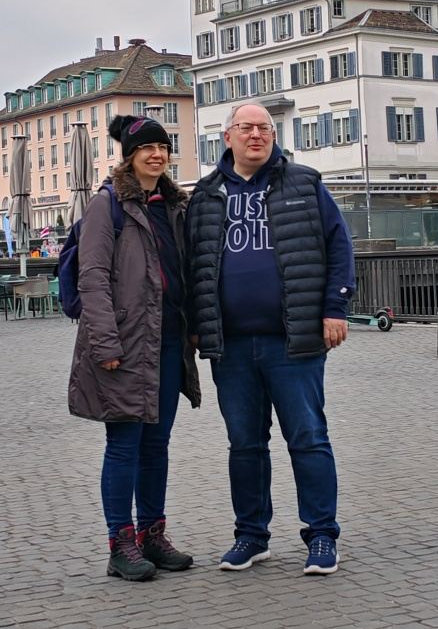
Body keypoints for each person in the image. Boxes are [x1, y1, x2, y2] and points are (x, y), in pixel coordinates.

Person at [186, 102, 355, 576]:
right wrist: (198, 325)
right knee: (244, 444)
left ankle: (322, 536)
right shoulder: (205, 195)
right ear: (228, 137)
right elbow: (194, 267)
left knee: (308, 439)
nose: (256, 135)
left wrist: (334, 308)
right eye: (246, 128)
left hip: (293, 339)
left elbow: (339, 246)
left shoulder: (305, 183)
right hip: (232, 345)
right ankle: (251, 536)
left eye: (264, 128)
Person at [68, 114, 201, 582]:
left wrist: (194, 329)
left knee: (157, 444)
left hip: (166, 343)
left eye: (163, 147)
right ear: (129, 155)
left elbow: (184, 273)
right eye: (146, 148)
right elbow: (93, 276)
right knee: (124, 445)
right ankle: (120, 542)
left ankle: (153, 535)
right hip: (123, 344)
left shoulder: (173, 205)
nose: (156, 154)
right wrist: (105, 340)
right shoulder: (108, 204)